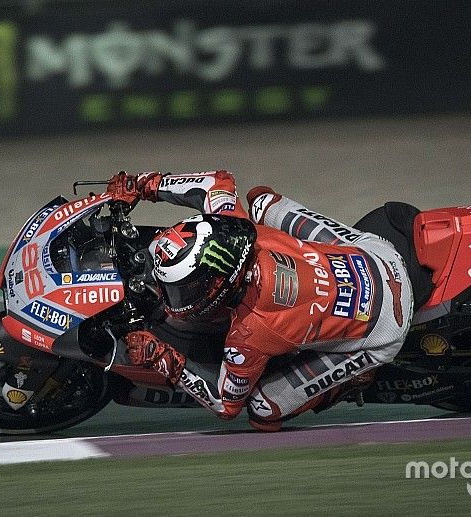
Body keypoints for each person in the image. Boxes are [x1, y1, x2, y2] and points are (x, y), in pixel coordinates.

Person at [106, 170, 414, 431]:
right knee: (261, 200)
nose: (174, 298)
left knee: (263, 410)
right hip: (380, 257)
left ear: (219, 283)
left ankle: (352, 379)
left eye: (184, 289)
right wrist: (147, 184)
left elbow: (226, 405)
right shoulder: (239, 227)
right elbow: (218, 181)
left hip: (385, 328)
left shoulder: (250, 334)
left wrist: (163, 357)